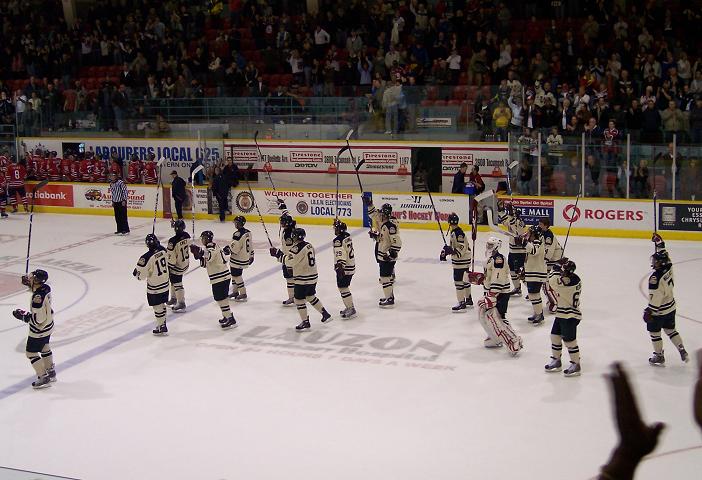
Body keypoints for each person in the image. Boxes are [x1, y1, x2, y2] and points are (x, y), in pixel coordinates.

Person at [469, 237, 522, 355]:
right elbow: (490, 276)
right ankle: (495, 337)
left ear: (497, 246)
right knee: (482, 315)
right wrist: (479, 279)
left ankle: (514, 340)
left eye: (491, 244)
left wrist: (492, 295)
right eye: (487, 244)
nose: (488, 246)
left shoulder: (499, 259)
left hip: (500, 293)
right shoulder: (489, 258)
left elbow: (498, 278)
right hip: (491, 292)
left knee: (496, 318)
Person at [272, 227, 332, 331]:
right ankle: (325, 313)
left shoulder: (296, 249)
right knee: (310, 296)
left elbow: (290, 261)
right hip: (313, 276)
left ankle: (305, 321)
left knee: (298, 300)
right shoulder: (309, 245)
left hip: (303, 278)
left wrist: (278, 254)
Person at [645, 234, 689, 366]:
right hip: (671, 306)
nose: (654, 262)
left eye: (656, 261)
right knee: (670, 330)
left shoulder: (655, 279)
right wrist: (659, 242)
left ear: (660, 263)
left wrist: (650, 312)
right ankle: (681, 348)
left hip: (660, 310)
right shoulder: (668, 266)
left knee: (654, 332)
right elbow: (663, 253)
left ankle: (659, 355)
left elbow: (656, 299)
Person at [13, 269, 56, 389]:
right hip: (49, 325)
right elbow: (37, 291)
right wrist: (28, 283)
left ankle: (43, 377)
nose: (29, 279)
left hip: (39, 330)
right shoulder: (45, 288)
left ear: (37, 281)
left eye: (32, 278)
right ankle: (51, 371)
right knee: (44, 346)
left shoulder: (37, 300)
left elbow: (39, 320)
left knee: (30, 353)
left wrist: (24, 316)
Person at [190, 230, 237, 329]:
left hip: (220, 277)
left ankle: (230, 318)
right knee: (220, 298)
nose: (202, 240)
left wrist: (199, 251)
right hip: (221, 276)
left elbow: (209, 256)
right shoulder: (213, 246)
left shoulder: (210, 247)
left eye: (202, 238)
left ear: (206, 239)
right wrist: (198, 255)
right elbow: (206, 263)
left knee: (221, 298)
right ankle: (226, 315)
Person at [544, 258, 582, 376]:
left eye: (563, 271)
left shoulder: (566, 283)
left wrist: (556, 268)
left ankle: (576, 364)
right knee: (554, 336)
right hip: (562, 313)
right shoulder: (575, 278)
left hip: (569, 315)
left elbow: (552, 281)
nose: (562, 273)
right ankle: (556, 360)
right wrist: (561, 267)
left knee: (569, 341)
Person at [365, 198, 402, 307]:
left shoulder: (390, 225)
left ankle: (389, 298)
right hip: (384, 251)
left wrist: (392, 254)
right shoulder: (385, 224)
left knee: (385, 277)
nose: (380, 214)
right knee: (385, 277)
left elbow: (396, 241)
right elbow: (383, 238)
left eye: (382, 212)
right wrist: (376, 237)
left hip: (387, 254)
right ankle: (389, 296)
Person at [133, 234, 170, 335]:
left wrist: (136, 273)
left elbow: (140, 276)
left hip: (155, 286)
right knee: (162, 304)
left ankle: (161, 325)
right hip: (165, 283)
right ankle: (163, 323)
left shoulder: (145, 257)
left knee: (157, 306)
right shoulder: (163, 250)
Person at [439, 213, 473, 312]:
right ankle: (468, 299)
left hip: (461, 261)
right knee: (465, 279)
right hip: (464, 260)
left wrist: (451, 251)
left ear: (449, 222)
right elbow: (456, 247)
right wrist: (448, 250)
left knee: (459, 281)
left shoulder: (458, 233)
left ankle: (462, 302)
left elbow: (461, 248)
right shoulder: (456, 232)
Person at [498, 201, 528, 295]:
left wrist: (510, 214)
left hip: (520, 252)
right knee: (512, 270)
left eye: (511, 211)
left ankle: (530, 290)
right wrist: (500, 210)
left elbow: (516, 230)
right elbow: (505, 221)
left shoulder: (520, 223)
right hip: (512, 251)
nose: (510, 213)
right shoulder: (511, 219)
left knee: (519, 272)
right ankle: (517, 288)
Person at [270, 200, 296, 306]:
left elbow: (289, 252)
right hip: (288, 258)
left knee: (291, 278)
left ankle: (295, 297)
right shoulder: (291, 224)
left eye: (282, 222)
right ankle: (292, 297)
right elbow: (286, 214)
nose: (281, 223)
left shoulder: (288, 235)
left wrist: (278, 254)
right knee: (289, 278)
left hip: (290, 260)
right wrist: (283, 206)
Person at [523, 224, 547, 325]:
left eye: (530, 233)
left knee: (533, 294)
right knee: (534, 294)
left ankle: (539, 314)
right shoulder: (533, 242)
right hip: (533, 272)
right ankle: (538, 313)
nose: (528, 234)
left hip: (537, 273)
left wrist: (524, 243)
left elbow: (534, 251)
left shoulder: (537, 242)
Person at [333, 219, 356, 319]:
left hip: (345, 267)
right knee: (343, 287)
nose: (334, 230)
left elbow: (340, 253)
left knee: (343, 287)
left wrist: (340, 265)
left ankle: (351, 308)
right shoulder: (348, 236)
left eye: (336, 228)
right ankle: (349, 307)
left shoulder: (337, 241)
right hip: (351, 264)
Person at [166, 219, 190, 312]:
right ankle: (173, 298)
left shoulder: (172, 241)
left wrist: (169, 266)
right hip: (185, 263)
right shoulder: (186, 236)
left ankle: (181, 303)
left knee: (177, 283)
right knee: (174, 281)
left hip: (177, 266)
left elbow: (171, 257)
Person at [539, 217, 563, 312]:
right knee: (547, 283)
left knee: (547, 283)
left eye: (541, 224)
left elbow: (549, 251)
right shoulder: (542, 233)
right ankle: (553, 299)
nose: (539, 225)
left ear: (545, 225)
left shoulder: (549, 236)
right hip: (551, 262)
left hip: (554, 262)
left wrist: (544, 261)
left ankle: (555, 303)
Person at [229, 215, 253, 302]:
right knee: (234, 275)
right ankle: (235, 291)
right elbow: (250, 245)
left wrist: (229, 249)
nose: (235, 224)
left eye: (236, 222)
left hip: (237, 258)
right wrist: (252, 255)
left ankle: (243, 292)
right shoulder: (248, 232)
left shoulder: (237, 234)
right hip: (245, 257)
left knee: (236, 275)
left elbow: (235, 248)